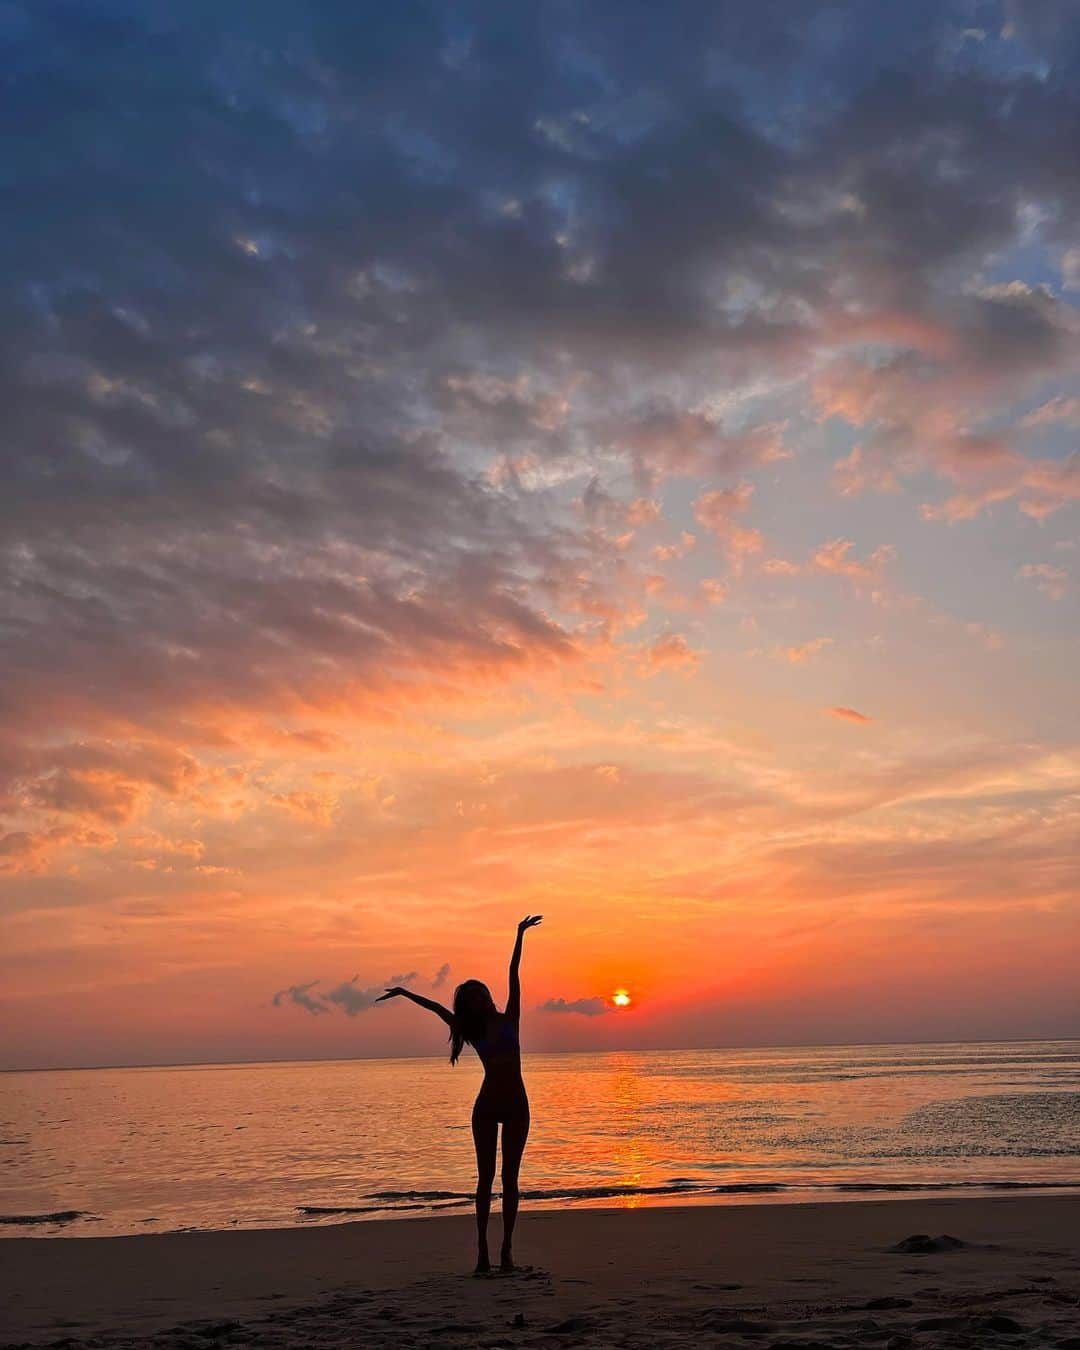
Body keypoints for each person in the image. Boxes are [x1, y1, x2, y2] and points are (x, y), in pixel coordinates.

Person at [376, 915, 542, 1273]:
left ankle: (507, 1252)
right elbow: (437, 1008)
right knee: (485, 1179)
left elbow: (514, 972)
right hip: (487, 1106)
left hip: (517, 1106)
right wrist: (404, 993)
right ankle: (482, 1251)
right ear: (467, 1006)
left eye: (481, 992)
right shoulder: (471, 1029)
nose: (479, 998)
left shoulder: (510, 1017)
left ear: (488, 996)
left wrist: (518, 935)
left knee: (510, 1180)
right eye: (472, 997)